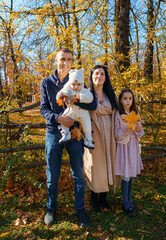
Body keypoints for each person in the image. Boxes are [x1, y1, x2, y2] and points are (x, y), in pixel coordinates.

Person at [40, 48, 97, 227]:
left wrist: (76, 99)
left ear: (72, 62)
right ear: (56, 60)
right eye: (62, 59)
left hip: (74, 133)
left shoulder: (77, 80)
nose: (65, 62)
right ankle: (51, 208)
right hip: (53, 132)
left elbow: (93, 103)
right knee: (52, 174)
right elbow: (43, 109)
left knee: (78, 174)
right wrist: (58, 118)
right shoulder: (46, 82)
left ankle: (79, 209)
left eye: (69, 59)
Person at [84, 65, 121, 212]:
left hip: (109, 136)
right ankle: (94, 197)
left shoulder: (110, 95)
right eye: (96, 74)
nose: (99, 76)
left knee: (107, 165)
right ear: (91, 76)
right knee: (94, 166)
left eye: (102, 74)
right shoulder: (86, 95)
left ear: (106, 78)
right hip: (94, 135)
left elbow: (118, 114)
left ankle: (103, 198)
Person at [114, 88, 145, 216]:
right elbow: (116, 134)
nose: (128, 101)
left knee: (130, 174)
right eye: (125, 98)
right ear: (120, 100)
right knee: (126, 175)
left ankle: (129, 199)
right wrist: (126, 130)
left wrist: (138, 129)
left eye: (130, 98)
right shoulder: (118, 115)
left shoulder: (135, 113)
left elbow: (141, 133)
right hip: (124, 147)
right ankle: (126, 203)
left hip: (133, 147)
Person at [56, 68, 94, 149]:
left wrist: (80, 97)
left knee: (87, 125)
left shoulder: (84, 90)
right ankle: (66, 134)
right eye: (73, 84)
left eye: (79, 84)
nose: (76, 87)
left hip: (83, 113)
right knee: (64, 116)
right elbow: (60, 93)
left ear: (82, 84)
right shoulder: (68, 89)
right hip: (72, 111)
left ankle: (88, 139)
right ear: (70, 83)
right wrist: (60, 96)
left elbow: (90, 98)